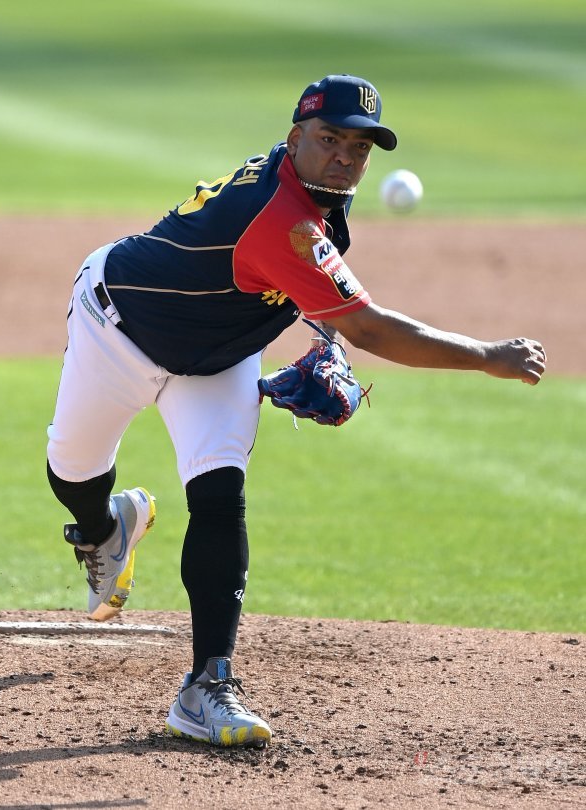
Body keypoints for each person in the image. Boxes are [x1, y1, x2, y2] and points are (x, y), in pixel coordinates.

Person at [46, 74, 546, 749]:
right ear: (295, 138)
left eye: (360, 147)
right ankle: (104, 529)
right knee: (73, 472)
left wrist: (323, 339)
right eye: (330, 139)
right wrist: (487, 355)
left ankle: (206, 685)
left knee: (219, 495)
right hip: (116, 330)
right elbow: (369, 326)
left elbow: (316, 290)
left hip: (217, 360)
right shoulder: (281, 217)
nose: (345, 156)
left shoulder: (318, 198)